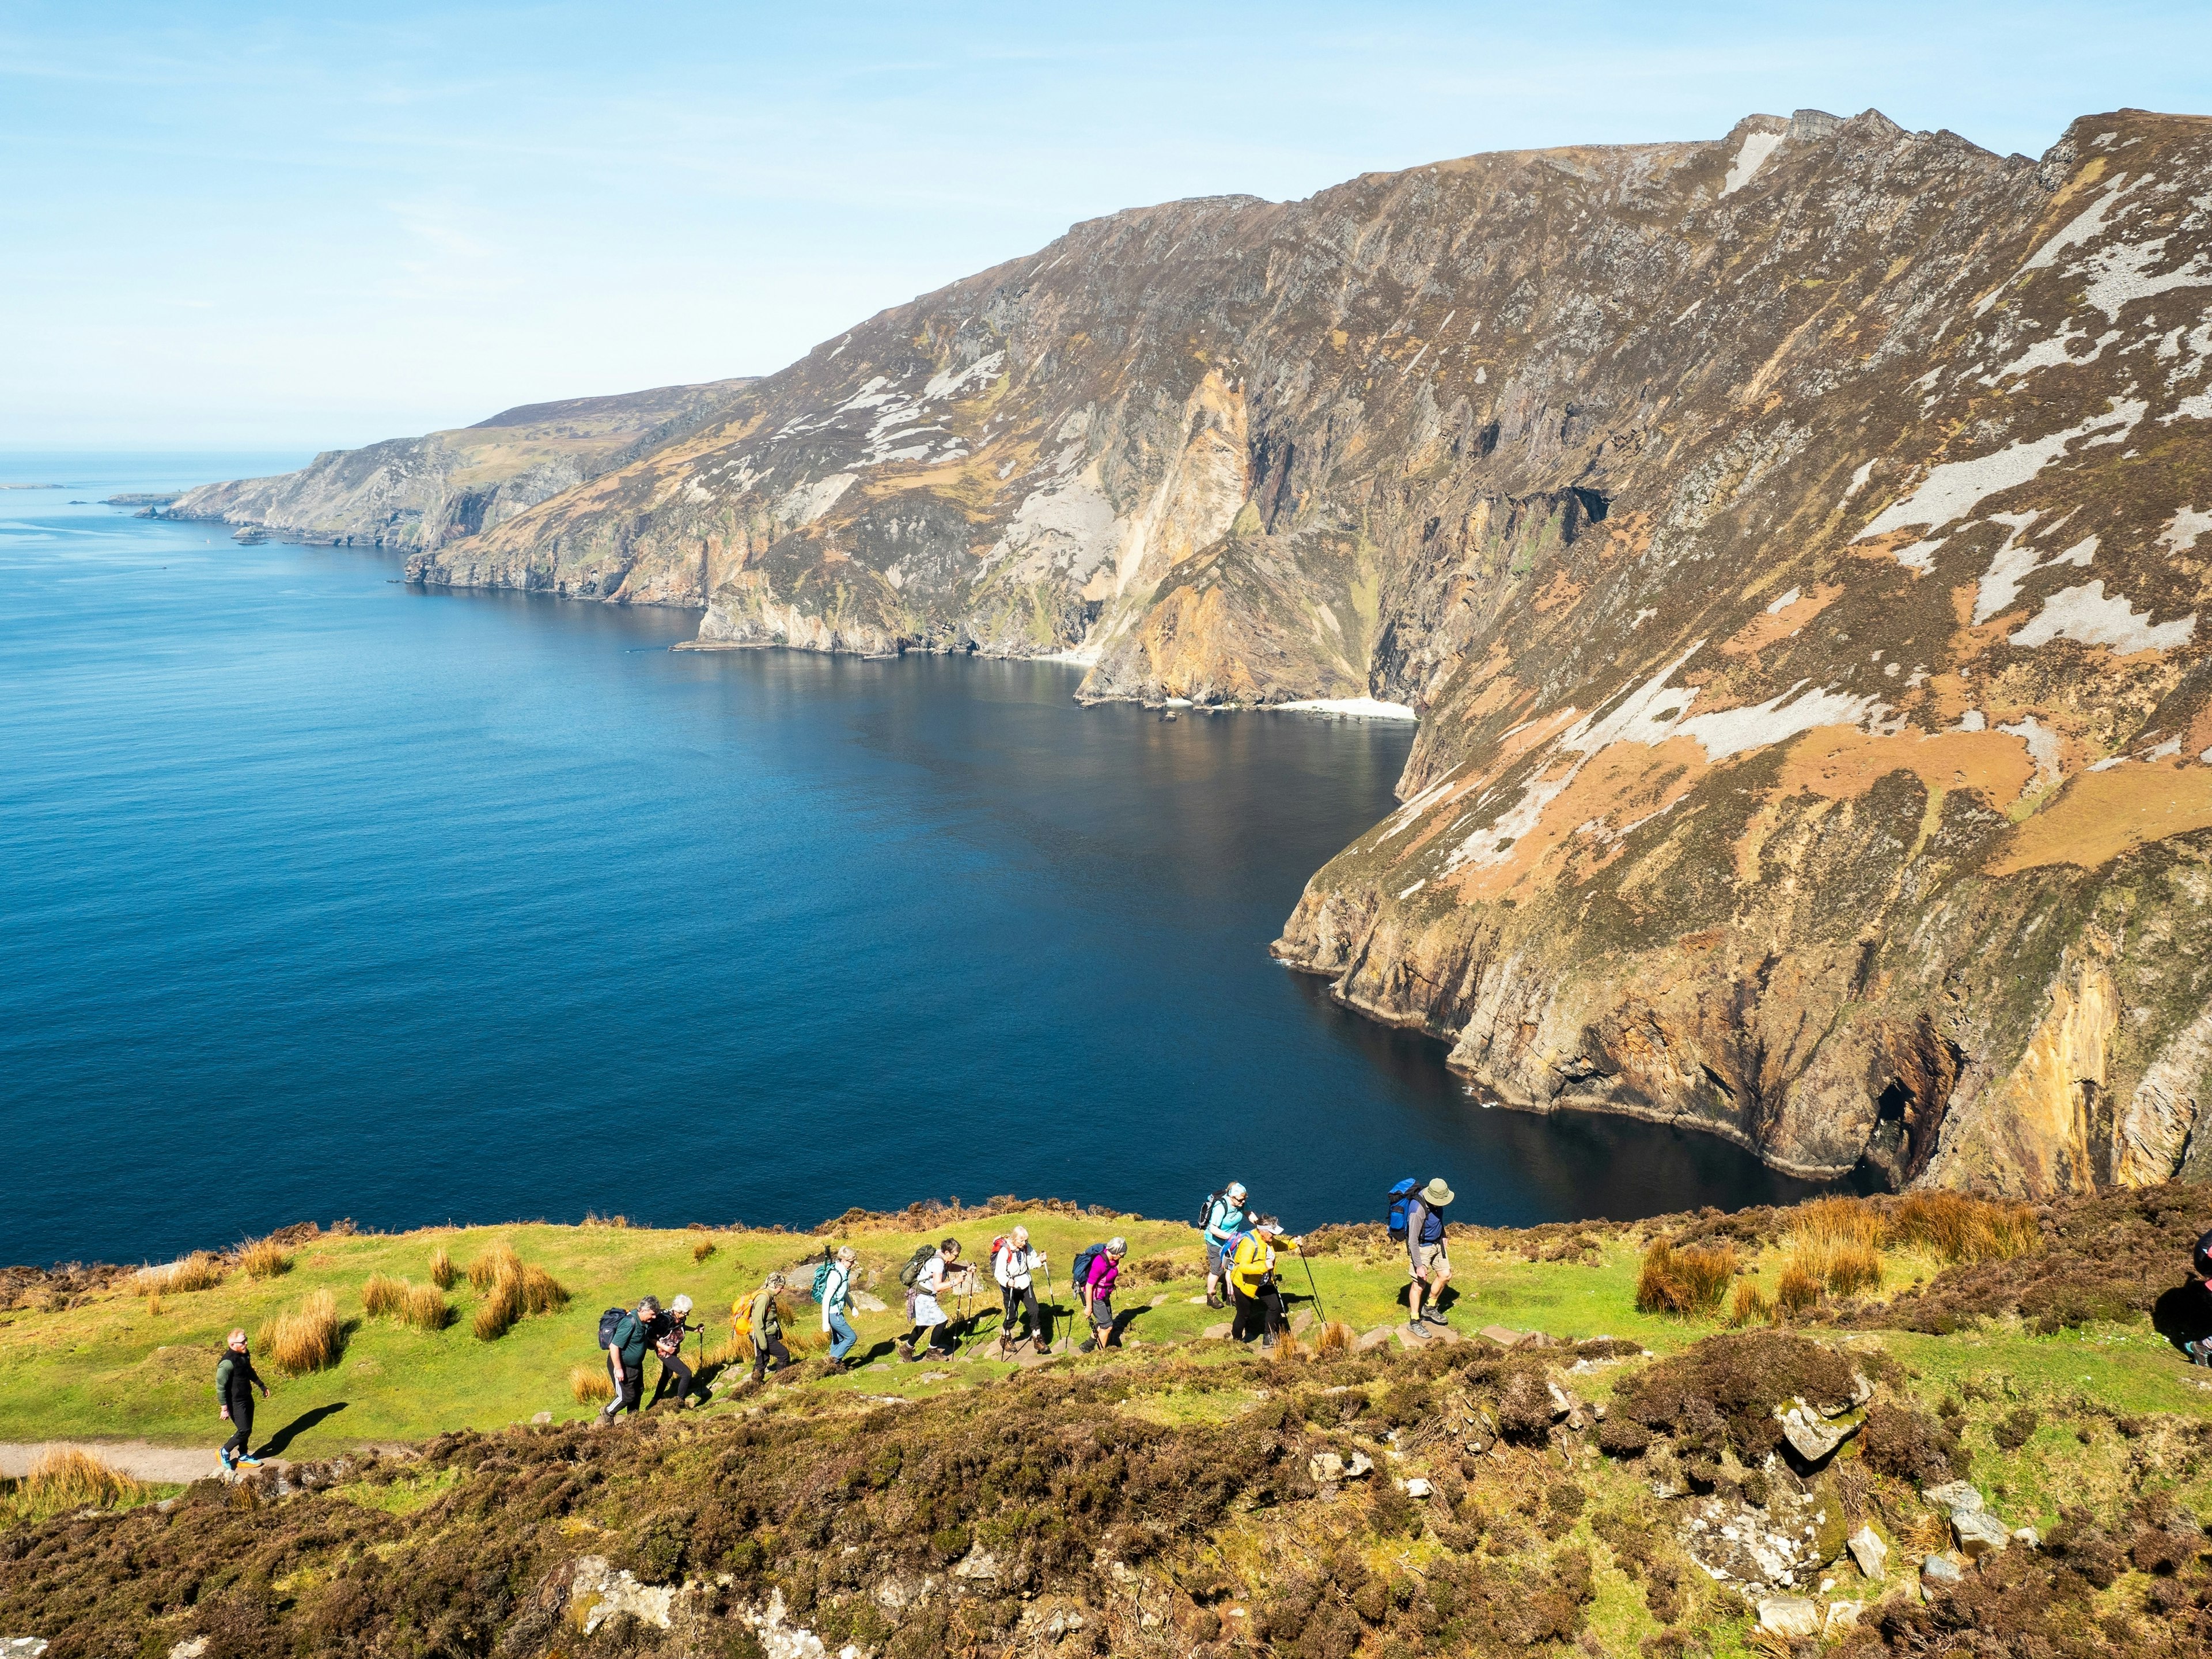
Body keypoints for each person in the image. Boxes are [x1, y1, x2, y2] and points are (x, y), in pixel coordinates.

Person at [1229, 1220, 1302, 1349]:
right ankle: (1236, 1340)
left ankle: (1269, 1338)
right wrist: (1263, 1266)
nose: (1274, 1236)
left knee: (1275, 1307)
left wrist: (1293, 1243)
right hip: (1245, 1283)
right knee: (1243, 1314)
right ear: (1262, 1231)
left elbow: (1280, 1246)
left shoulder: (1268, 1240)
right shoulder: (1249, 1243)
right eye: (1272, 1233)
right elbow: (1244, 1267)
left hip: (1263, 1281)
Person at [899, 1239, 971, 1362]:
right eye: (956, 1255)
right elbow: (938, 1287)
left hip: (920, 1294)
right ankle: (932, 1352)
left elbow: (949, 1267)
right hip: (923, 1296)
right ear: (947, 1252)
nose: (956, 1257)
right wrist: (956, 1282)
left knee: (923, 1324)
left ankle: (906, 1349)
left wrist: (965, 1268)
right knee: (942, 1320)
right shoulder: (938, 1262)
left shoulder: (939, 1255)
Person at [992, 1226, 1050, 1357]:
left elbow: (1031, 1263)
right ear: (1014, 1238)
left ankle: (1038, 1339)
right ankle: (1005, 1338)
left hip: (1025, 1282)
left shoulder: (1026, 1247)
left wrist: (1040, 1260)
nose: (1024, 1243)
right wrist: (1007, 1281)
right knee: (1012, 1315)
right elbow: (999, 1272)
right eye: (1021, 1240)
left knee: (1035, 1310)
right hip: (1010, 1286)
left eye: (1026, 1240)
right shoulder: (1004, 1251)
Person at [215, 1328, 268, 1472]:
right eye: (243, 1342)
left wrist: (261, 1385)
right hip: (235, 1402)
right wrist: (224, 1408)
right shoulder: (227, 1363)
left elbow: (249, 1370)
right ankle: (224, 1452)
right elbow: (220, 1386)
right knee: (244, 1430)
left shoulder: (245, 1354)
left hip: (247, 1397)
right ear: (232, 1345)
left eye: (246, 1340)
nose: (246, 1343)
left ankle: (243, 1456)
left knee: (247, 1430)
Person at [1406, 1177, 1455, 1327]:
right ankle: (1414, 1321)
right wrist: (1419, 1265)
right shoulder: (1417, 1210)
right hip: (1422, 1248)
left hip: (1437, 1244)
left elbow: (1438, 1220)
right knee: (1419, 1284)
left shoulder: (1437, 1202)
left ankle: (1429, 1307)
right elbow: (1412, 1240)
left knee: (1446, 1275)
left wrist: (1443, 1234)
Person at [601, 1296, 657, 1420]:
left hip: (636, 1366)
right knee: (626, 1397)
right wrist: (619, 1369)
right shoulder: (629, 1323)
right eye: (652, 1314)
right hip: (622, 1365)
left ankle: (633, 1419)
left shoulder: (645, 1322)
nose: (654, 1317)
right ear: (643, 1310)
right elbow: (614, 1346)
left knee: (638, 1391)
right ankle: (607, 1412)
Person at [1203, 1183, 1252, 1309]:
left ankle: (1231, 1296)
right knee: (1217, 1270)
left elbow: (1249, 1213)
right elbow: (1213, 1229)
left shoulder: (1241, 1202)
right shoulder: (1221, 1207)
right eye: (1241, 1200)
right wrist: (1232, 1237)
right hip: (1215, 1243)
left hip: (1231, 1242)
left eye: (1245, 1199)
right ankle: (1211, 1296)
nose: (1243, 1202)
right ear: (1232, 1197)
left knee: (1232, 1268)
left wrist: (1261, 1225)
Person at [647, 1293, 702, 1408]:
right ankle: (679, 1402)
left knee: (667, 1374)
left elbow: (681, 1327)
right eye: (685, 1313)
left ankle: (655, 1400)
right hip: (665, 1353)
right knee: (686, 1374)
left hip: (672, 1351)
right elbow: (651, 1338)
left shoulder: (679, 1318)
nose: (687, 1315)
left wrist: (695, 1330)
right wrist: (666, 1348)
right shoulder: (665, 1321)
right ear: (677, 1310)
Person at [1078, 1237, 1128, 1353]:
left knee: (1105, 1321)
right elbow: (1089, 1286)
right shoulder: (1099, 1263)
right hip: (1096, 1298)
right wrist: (1089, 1308)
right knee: (1107, 1326)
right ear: (1115, 1253)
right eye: (1122, 1255)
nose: (1123, 1257)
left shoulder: (1114, 1260)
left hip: (1105, 1295)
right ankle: (1101, 1354)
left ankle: (1088, 1345)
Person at [820, 1247, 861, 1371]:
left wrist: (853, 1307)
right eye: (851, 1261)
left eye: (853, 1261)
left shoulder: (843, 1272)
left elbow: (844, 1292)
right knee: (851, 1337)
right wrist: (825, 1322)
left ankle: (835, 1367)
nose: (853, 1264)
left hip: (838, 1312)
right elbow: (826, 1299)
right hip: (834, 1315)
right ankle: (832, 1361)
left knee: (837, 1340)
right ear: (843, 1260)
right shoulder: (836, 1276)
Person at [749, 1273, 794, 1382]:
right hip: (762, 1335)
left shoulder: (767, 1296)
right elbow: (758, 1321)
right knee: (783, 1354)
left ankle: (756, 1383)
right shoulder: (764, 1299)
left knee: (762, 1360)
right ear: (774, 1285)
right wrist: (763, 1343)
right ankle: (780, 1382)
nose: (782, 1290)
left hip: (758, 1335)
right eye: (781, 1287)